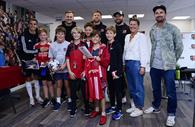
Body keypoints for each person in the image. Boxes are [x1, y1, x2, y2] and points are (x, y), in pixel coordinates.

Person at [144, 5, 184, 127]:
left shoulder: (173, 29)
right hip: (155, 66)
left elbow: (179, 47)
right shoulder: (152, 30)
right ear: (154, 15)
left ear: (165, 14)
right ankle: (156, 106)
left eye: (161, 12)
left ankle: (171, 113)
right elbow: (153, 45)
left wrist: (172, 60)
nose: (159, 14)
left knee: (171, 92)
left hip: (168, 67)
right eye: (157, 13)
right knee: (156, 89)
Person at [123, 16, 148, 117]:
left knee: (138, 86)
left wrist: (143, 66)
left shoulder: (141, 36)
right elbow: (125, 51)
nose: (132, 26)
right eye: (131, 24)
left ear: (138, 26)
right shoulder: (127, 36)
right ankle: (135, 105)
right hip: (128, 63)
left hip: (136, 63)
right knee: (131, 87)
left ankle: (140, 108)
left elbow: (144, 52)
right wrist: (124, 63)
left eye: (134, 24)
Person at [85, 31, 110, 125]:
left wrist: (101, 60)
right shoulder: (89, 48)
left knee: (101, 93)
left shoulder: (103, 48)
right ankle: (96, 109)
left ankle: (103, 113)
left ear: (99, 38)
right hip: (91, 74)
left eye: (97, 37)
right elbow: (87, 62)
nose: (95, 38)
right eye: (93, 37)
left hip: (100, 74)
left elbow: (107, 60)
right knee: (94, 92)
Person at [17, 18, 43, 106]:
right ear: (28, 25)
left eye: (34, 24)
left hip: (35, 60)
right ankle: (31, 98)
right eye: (31, 24)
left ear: (36, 25)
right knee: (28, 78)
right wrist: (37, 52)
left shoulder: (38, 35)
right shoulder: (23, 35)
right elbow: (24, 50)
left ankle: (38, 96)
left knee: (36, 78)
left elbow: (42, 46)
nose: (33, 26)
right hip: (26, 60)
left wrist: (37, 55)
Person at [66, 27, 89, 118]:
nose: (76, 35)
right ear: (72, 34)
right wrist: (69, 71)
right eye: (74, 33)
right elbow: (67, 59)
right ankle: (73, 108)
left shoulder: (84, 45)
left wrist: (85, 70)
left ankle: (87, 107)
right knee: (73, 92)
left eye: (78, 33)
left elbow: (88, 59)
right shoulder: (70, 46)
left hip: (82, 72)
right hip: (73, 73)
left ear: (81, 34)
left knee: (84, 92)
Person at [48, 26, 70, 111]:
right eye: (58, 34)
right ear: (56, 34)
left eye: (62, 34)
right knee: (58, 85)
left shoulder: (68, 44)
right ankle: (58, 102)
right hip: (57, 70)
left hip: (66, 68)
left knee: (67, 86)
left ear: (64, 35)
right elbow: (51, 58)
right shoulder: (52, 45)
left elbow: (70, 57)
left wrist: (64, 65)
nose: (60, 35)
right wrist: (53, 67)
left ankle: (70, 100)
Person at [34, 28, 55, 108]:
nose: (43, 36)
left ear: (46, 36)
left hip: (48, 67)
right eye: (41, 35)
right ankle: (46, 98)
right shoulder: (36, 45)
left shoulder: (50, 45)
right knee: (44, 83)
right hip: (40, 67)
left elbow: (52, 56)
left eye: (44, 35)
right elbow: (35, 57)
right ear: (39, 36)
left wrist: (49, 62)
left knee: (50, 83)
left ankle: (52, 98)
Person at [105, 26, 123, 120]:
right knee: (111, 90)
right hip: (108, 71)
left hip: (116, 72)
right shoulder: (106, 44)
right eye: (107, 33)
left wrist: (118, 73)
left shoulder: (117, 45)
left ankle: (119, 110)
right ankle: (112, 106)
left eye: (111, 33)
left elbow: (120, 60)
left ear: (114, 34)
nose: (109, 35)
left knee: (118, 91)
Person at [113, 10, 131, 104]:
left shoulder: (127, 28)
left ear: (123, 17)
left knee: (124, 77)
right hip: (115, 56)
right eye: (116, 17)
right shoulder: (114, 28)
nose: (117, 18)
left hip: (125, 56)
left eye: (119, 16)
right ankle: (120, 95)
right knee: (117, 76)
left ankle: (125, 95)